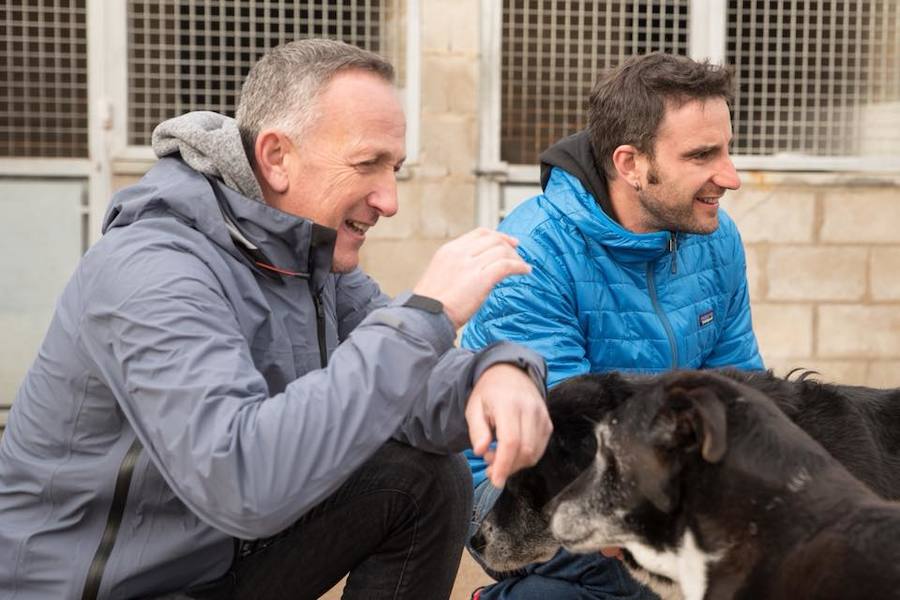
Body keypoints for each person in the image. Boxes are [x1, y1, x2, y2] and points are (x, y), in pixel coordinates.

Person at [0, 39, 554, 600]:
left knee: (423, 478)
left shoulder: (311, 264)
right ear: (276, 158)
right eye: (368, 164)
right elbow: (241, 481)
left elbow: (411, 388)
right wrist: (427, 312)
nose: (389, 200)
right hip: (108, 590)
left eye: (396, 169)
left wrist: (497, 371)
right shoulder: (153, 268)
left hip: (212, 571)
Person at [462, 53, 764, 599]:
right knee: (615, 571)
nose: (731, 177)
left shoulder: (717, 238)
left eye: (727, 149)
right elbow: (567, 450)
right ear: (630, 164)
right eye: (702, 155)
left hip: (657, 465)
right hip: (522, 486)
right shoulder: (537, 250)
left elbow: (742, 395)